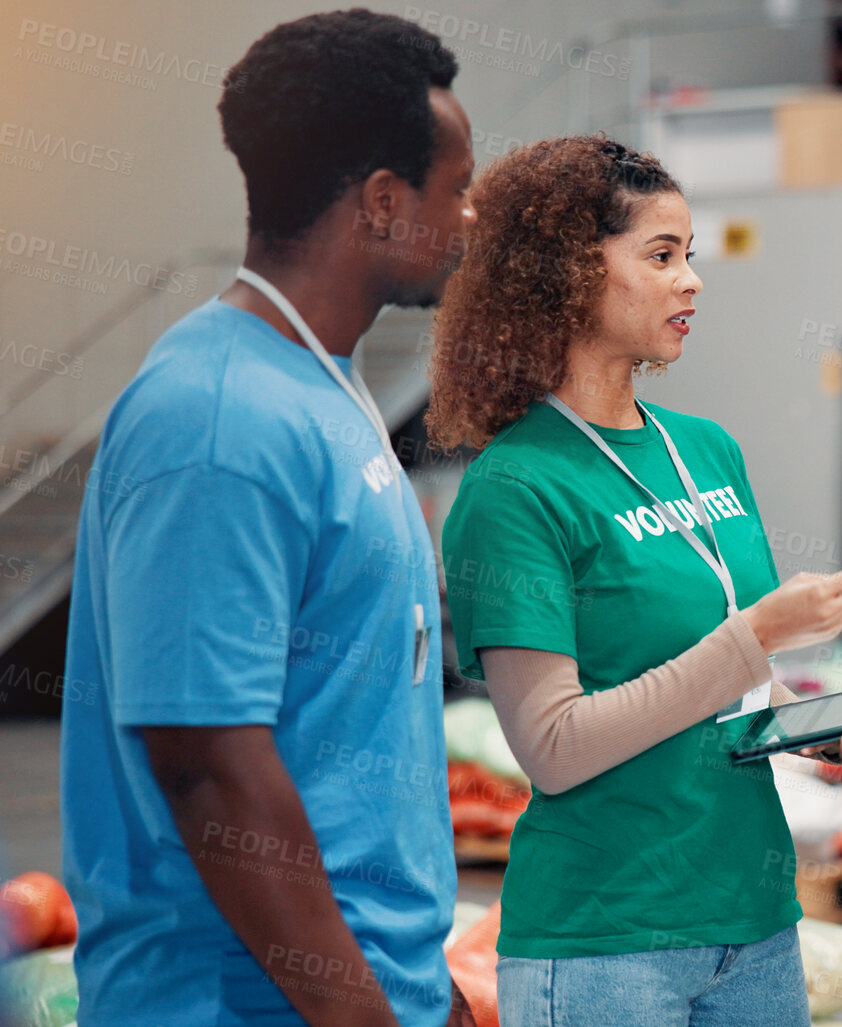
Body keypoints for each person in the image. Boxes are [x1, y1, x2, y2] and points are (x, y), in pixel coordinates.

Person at [427, 136, 842, 1027]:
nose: (691, 280)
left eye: (689, 255)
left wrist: (813, 731)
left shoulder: (706, 450)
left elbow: (732, 695)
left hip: (755, 920)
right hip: (605, 939)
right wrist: (756, 635)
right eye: (661, 256)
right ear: (566, 274)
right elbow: (556, 747)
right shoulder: (516, 487)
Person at [61, 10, 476, 1026]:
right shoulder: (215, 421)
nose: (469, 222)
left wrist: (431, 994)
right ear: (383, 202)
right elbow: (210, 767)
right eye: (457, 193)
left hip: (367, 985)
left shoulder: (319, 385)